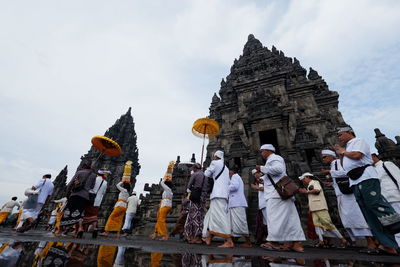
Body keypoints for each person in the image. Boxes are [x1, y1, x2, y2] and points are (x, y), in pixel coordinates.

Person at [334, 126, 400, 255]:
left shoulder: (358, 141)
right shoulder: (347, 148)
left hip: (366, 177)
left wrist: (343, 152)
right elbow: (344, 167)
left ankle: (396, 225)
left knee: (376, 205)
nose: (339, 138)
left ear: (349, 133)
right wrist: (341, 154)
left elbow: (357, 156)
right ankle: (387, 245)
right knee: (368, 212)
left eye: (340, 135)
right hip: (354, 180)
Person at [256, 144, 305, 252]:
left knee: (274, 218)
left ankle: (273, 242)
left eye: (262, 151)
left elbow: (278, 169)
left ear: (268, 150)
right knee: (291, 219)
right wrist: (262, 178)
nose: (261, 153)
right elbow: (276, 174)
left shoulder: (275, 158)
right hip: (280, 194)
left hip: (276, 195)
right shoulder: (273, 159)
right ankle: (296, 244)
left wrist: (261, 168)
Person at [321, 149, 375, 248]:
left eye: (324, 157)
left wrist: (330, 172)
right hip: (342, 194)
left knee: (357, 217)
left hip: (348, 195)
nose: (323, 159)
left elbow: (347, 172)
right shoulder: (334, 164)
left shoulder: (337, 162)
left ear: (331, 156)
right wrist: (332, 183)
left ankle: (371, 242)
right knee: (348, 219)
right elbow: (340, 179)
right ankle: (359, 241)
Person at [298, 172, 349, 248]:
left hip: (320, 206)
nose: (303, 180)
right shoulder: (310, 185)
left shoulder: (315, 182)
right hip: (314, 207)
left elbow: (317, 190)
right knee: (317, 225)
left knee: (328, 223)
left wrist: (306, 191)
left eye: (304, 178)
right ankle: (321, 241)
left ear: (308, 177)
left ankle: (343, 240)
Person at [202, 150, 234, 248]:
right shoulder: (226, 168)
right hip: (223, 194)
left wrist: (206, 168)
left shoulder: (215, 163)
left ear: (215, 156)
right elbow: (227, 182)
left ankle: (229, 240)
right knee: (211, 215)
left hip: (218, 194)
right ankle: (209, 238)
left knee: (220, 216)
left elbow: (206, 174)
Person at [57, 164, 96, 238]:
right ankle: (80, 228)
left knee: (67, 212)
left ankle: (59, 231)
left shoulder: (79, 172)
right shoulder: (93, 175)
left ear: (83, 167)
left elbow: (71, 183)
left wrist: (68, 193)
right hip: (85, 196)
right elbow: (92, 186)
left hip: (75, 194)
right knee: (79, 212)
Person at [372, 153, 400, 246]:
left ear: (374, 156)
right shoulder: (373, 170)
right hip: (384, 200)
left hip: (394, 196)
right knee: (394, 223)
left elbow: (398, 177)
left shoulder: (386, 164)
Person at [83, 169, 110, 238]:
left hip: (90, 198)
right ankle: (95, 228)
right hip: (98, 200)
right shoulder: (105, 182)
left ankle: (84, 229)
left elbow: (89, 187)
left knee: (86, 213)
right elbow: (104, 192)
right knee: (94, 214)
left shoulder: (95, 179)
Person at [184, 163, 207, 244]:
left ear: (195, 168)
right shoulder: (205, 175)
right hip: (203, 197)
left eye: (193, 168)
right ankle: (197, 236)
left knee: (193, 216)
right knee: (200, 215)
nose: (192, 169)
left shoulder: (195, 174)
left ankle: (194, 236)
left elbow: (189, 186)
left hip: (195, 196)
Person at [228, 167, 252, 247]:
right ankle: (231, 240)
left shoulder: (235, 177)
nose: (228, 173)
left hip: (237, 203)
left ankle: (248, 241)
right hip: (236, 203)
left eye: (229, 171)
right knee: (235, 222)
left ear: (232, 171)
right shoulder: (236, 177)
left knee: (241, 222)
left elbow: (234, 187)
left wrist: (224, 188)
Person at [250, 169, 268, 244]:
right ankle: (265, 237)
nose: (256, 175)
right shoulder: (259, 180)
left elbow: (269, 188)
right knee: (263, 222)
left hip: (267, 203)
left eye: (256, 173)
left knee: (268, 221)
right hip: (262, 204)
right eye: (254, 174)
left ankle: (270, 238)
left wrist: (257, 188)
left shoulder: (265, 178)